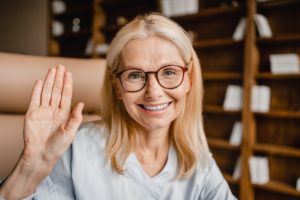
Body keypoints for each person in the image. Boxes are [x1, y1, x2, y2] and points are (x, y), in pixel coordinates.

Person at [0, 13, 237, 200]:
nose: (153, 92)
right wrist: (30, 167)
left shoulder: (198, 162)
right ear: (117, 87)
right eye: (135, 75)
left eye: (169, 72)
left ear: (189, 79)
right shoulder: (77, 148)